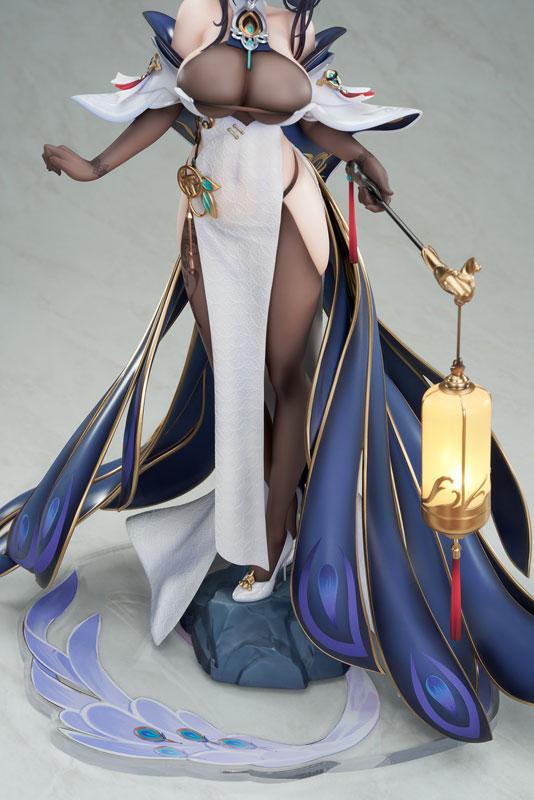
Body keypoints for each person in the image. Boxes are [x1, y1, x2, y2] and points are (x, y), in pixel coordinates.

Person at [2, 0, 533, 745]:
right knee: (239, 392)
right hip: (213, 223)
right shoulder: (201, 11)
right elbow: (166, 104)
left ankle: (274, 554)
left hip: (285, 212)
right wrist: (95, 167)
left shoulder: (295, 19)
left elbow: (311, 117)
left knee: (292, 386)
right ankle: (247, 537)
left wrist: (364, 159)